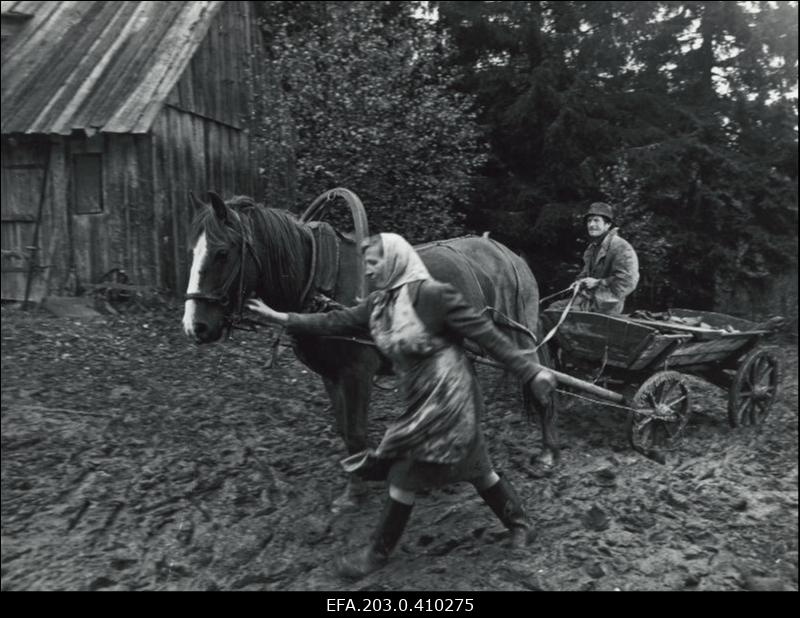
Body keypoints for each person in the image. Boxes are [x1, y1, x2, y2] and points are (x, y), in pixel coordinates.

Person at [246, 233, 556, 580]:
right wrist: (281, 317)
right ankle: (521, 524)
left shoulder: (437, 296)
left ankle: (377, 553)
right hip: (421, 399)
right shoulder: (379, 304)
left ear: (396, 261)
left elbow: (489, 337)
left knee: (403, 476)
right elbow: (332, 322)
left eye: (376, 263)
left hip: (452, 398)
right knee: (479, 472)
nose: (370, 270)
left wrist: (531, 371)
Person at [550, 201, 639, 314]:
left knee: (556, 314)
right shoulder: (592, 249)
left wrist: (598, 283)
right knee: (553, 308)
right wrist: (579, 282)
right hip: (587, 300)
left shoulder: (621, 247)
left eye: (596, 220)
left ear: (608, 225)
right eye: (589, 221)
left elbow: (628, 281)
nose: (591, 225)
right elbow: (585, 274)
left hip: (607, 305)